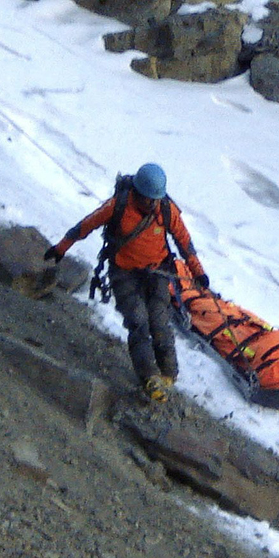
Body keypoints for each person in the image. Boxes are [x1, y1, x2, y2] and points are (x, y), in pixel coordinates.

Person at [44, 163, 209, 403]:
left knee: (160, 322)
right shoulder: (118, 206)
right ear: (138, 193)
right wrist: (61, 249)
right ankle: (149, 378)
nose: (151, 204)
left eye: (155, 200)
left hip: (157, 272)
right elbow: (85, 226)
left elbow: (185, 242)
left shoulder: (166, 209)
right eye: (147, 199)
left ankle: (168, 374)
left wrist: (199, 273)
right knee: (138, 321)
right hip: (125, 274)